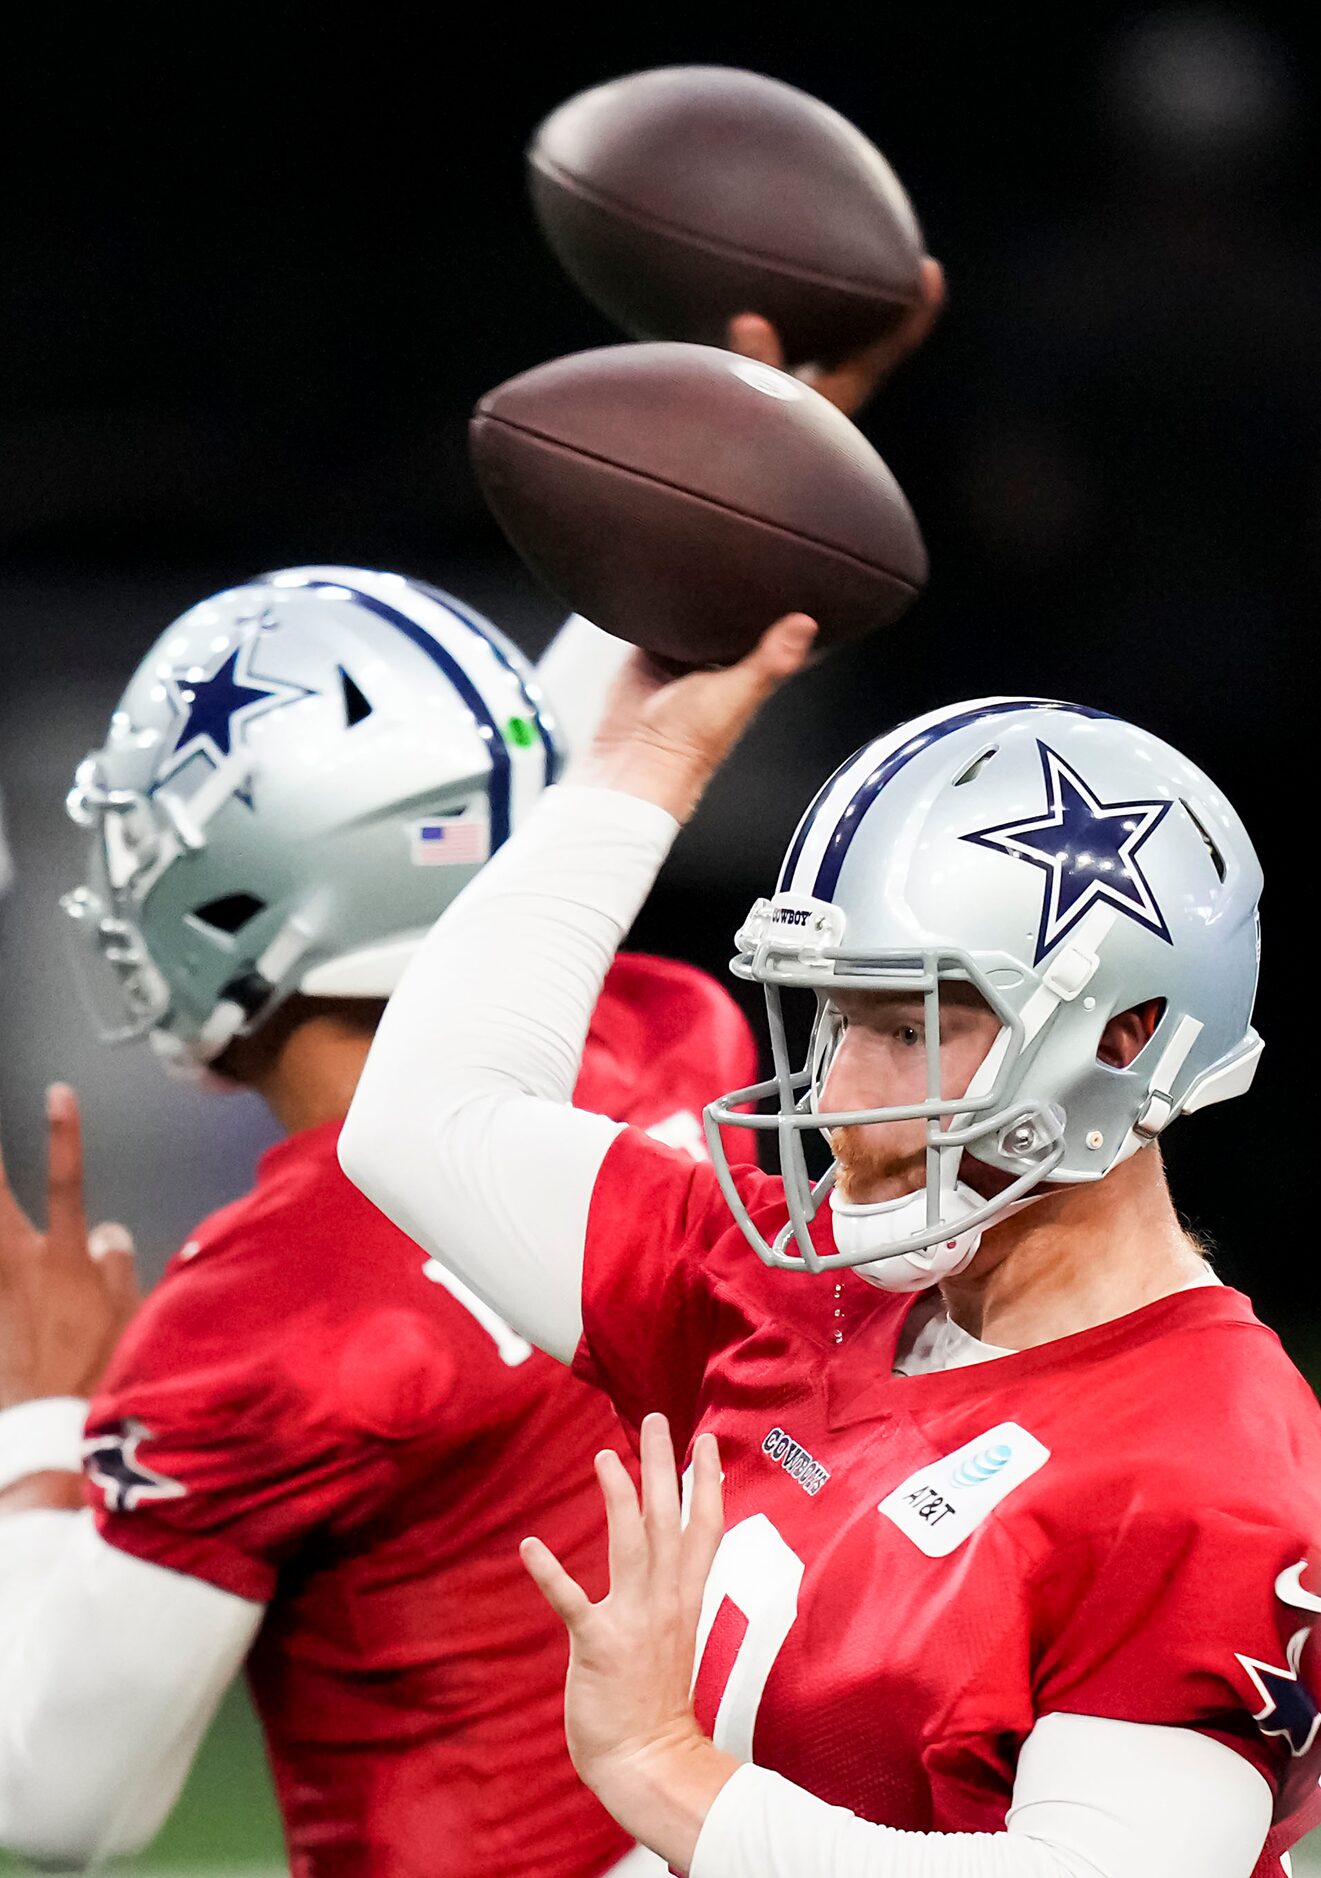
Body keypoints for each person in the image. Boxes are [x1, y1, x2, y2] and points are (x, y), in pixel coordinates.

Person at [340, 620, 1321, 1878]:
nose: (841, 1093)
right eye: (834, 1016)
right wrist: (643, 763)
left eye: (912, 1028)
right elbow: (426, 1117)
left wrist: (665, 1772)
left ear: (1118, 1044)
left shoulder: (1206, 1472)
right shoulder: (797, 1283)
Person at [0, 567, 764, 1878]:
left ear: (251, 894)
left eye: (156, 844)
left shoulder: (268, 1316)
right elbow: (499, 853)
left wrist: (43, 1423)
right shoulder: (670, 1035)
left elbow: (53, 1796)